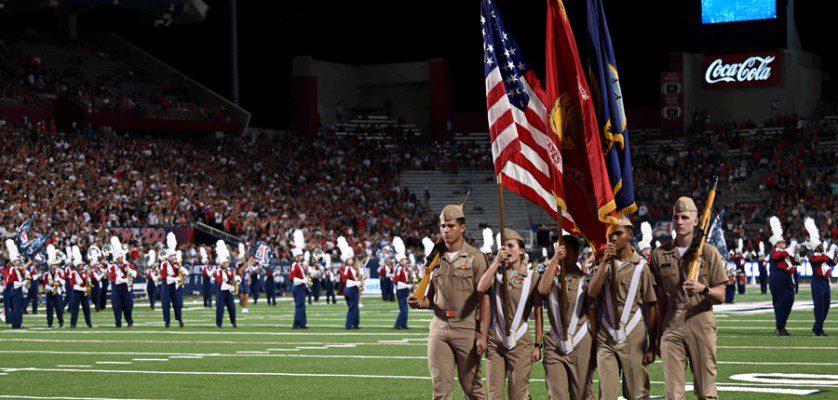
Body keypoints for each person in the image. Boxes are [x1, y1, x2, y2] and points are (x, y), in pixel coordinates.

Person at [408, 205, 490, 400]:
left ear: (462, 228)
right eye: (443, 226)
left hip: (466, 328)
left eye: (451, 226)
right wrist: (419, 302)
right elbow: (431, 298)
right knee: (440, 392)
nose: (445, 230)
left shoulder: (476, 258)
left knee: (472, 389)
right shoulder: (435, 258)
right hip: (439, 327)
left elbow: (485, 300)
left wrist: (483, 335)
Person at [650, 197, 727, 400]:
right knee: (673, 394)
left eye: (685, 217)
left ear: (696, 221)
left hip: (700, 321)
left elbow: (721, 295)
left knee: (706, 392)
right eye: (676, 217)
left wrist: (703, 289)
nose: (680, 221)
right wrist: (657, 333)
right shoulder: (659, 254)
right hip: (671, 324)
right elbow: (659, 299)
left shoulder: (709, 253)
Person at [587, 217, 657, 400]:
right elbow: (592, 293)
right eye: (610, 235)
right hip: (606, 334)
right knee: (606, 394)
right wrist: (603, 263)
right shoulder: (603, 265)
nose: (614, 238)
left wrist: (652, 344)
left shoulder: (642, 267)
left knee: (637, 393)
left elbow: (651, 306)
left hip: (634, 333)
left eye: (619, 233)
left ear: (630, 235)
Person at [477, 228, 541, 400]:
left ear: (521, 250)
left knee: (518, 395)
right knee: (493, 395)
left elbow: (539, 311)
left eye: (510, 246)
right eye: (503, 247)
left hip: (521, 341)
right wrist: (496, 262)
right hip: (495, 341)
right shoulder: (497, 275)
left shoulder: (532, 277)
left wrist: (538, 344)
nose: (506, 250)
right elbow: (481, 288)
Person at [537, 236, 595, 400]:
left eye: (567, 251)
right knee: (556, 396)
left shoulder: (586, 280)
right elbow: (542, 290)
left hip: (581, 343)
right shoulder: (552, 279)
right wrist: (555, 259)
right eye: (560, 250)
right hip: (554, 344)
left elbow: (593, 314)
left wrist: (597, 345)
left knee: (582, 395)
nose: (564, 254)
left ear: (577, 254)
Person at [767, 217, 797, 336]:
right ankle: (780, 327)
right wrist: (791, 248)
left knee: (790, 301)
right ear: (777, 244)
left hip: (787, 281)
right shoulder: (775, 252)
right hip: (778, 282)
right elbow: (777, 257)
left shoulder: (785, 254)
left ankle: (782, 325)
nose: (785, 244)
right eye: (783, 242)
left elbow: (794, 263)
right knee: (780, 303)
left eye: (785, 243)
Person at [808, 239, 835, 337]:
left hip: (825, 282)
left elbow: (833, 262)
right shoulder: (814, 256)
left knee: (826, 306)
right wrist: (831, 251)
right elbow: (822, 259)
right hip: (817, 282)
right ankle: (819, 330)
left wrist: (835, 254)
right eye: (820, 245)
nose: (822, 246)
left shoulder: (823, 256)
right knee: (819, 307)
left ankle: (817, 326)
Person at [160, 234, 185, 328]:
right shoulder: (164, 264)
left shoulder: (176, 264)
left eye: (174, 256)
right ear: (168, 256)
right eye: (171, 256)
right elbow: (164, 277)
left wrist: (183, 272)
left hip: (176, 285)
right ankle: (167, 322)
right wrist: (175, 278)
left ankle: (180, 319)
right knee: (165, 303)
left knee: (178, 303)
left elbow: (183, 271)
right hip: (166, 285)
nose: (173, 257)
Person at [214, 240, 239, 328]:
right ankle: (219, 323)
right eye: (225, 262)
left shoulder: (231, 270)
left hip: (229, 291)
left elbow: (233, 278)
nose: (227, 263)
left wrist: (237, 280)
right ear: (222, 263)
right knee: (220, 307)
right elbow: (221, 283)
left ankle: (234, 322)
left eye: (227, 262)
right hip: (221, 291)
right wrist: (231, 287)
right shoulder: (218, 270)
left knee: (232, 307)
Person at [43, 245, 66, 328]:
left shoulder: (60, 272)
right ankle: (50, 323)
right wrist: (52, 288)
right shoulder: (46, 274)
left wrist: (59, 279)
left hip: (58, 292)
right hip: (50, 293)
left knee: (59, 308)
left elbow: (64, 282)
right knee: (49, 309)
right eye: (53, 265)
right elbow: (45, 285)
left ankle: (61, 322)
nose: (55, 266)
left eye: (55, 265)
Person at [289, 248, 308, 329]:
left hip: (302, 286)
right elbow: (291, 278)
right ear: (296, 257)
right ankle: (296, 324)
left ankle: (302, 323)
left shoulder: (301, 265)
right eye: (300, 255)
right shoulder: (294, 265)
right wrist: (303, 280)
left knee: (303, 305)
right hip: (297, 287)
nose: (301, 256)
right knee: (299, 305)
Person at [393, 255, 412, 330]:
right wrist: (406, 285)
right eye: (404, 259)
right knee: (403, 308)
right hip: (401, 290)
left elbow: (406, 279)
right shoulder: (399, 268)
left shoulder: (406, 268)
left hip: (405, 290)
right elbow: (395, 281)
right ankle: (398, 325)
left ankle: (404, 324)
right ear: (400, 261)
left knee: (405, 308)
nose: (406, 261)